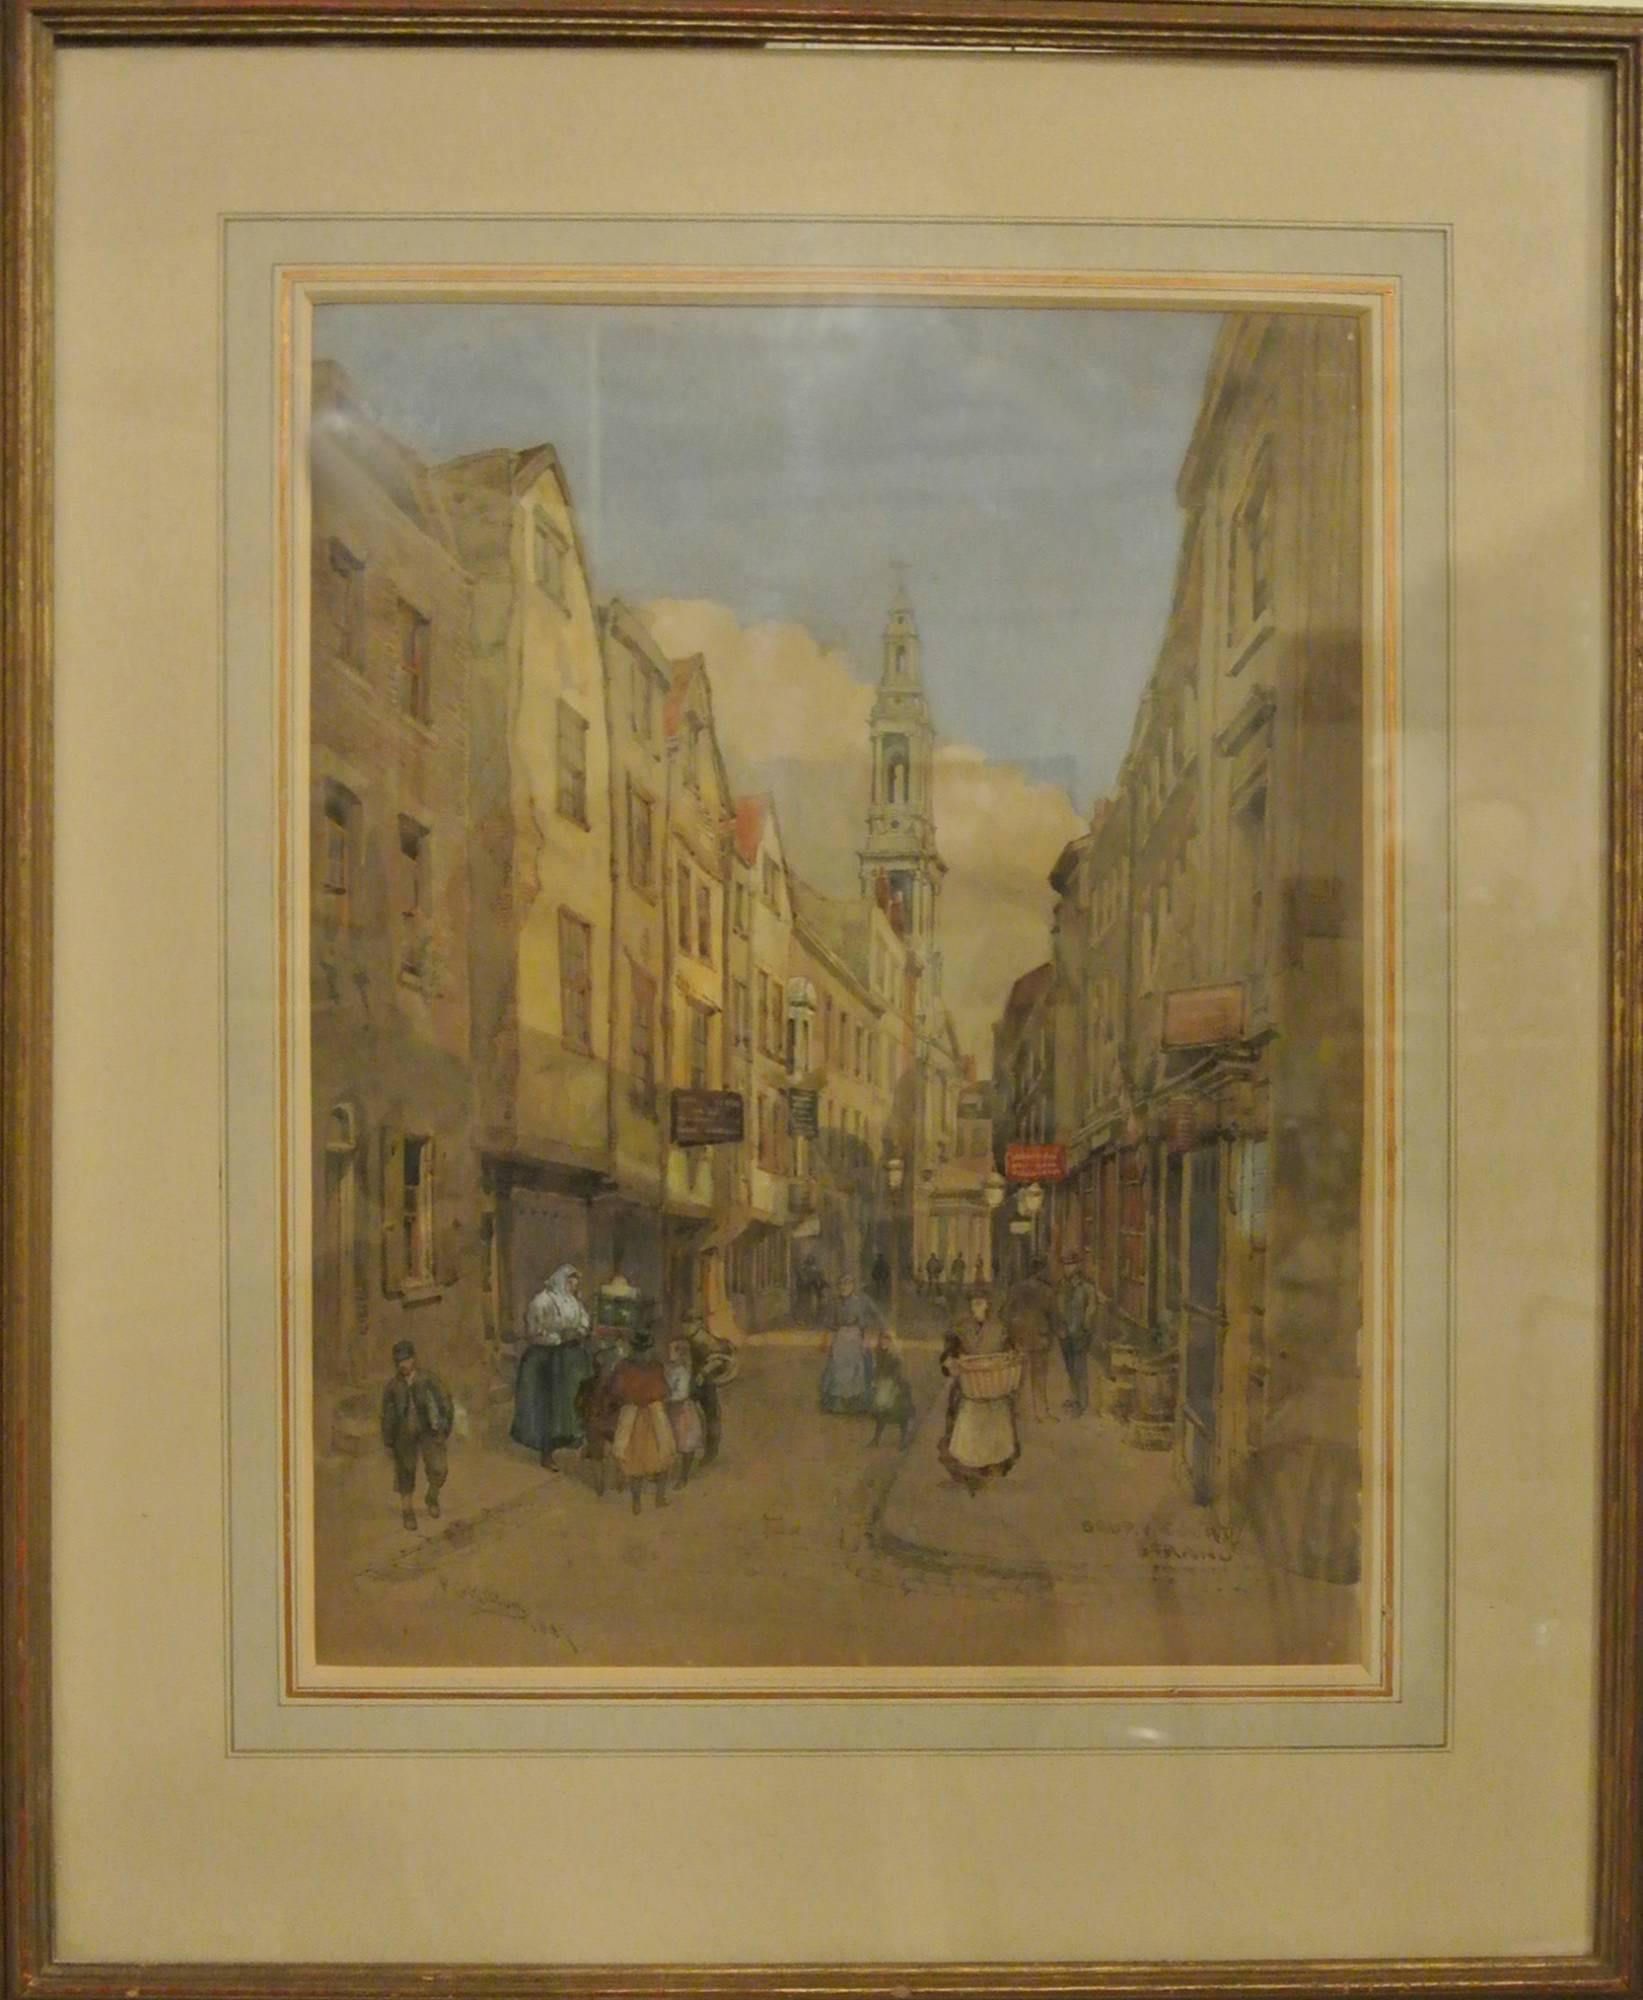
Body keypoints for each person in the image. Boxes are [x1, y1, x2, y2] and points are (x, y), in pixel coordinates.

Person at [511, 1263, 595, 1471]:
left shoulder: (574, 1302)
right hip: (546, 1360)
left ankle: (573, 1440)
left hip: (570, 1359)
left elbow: (585, 1322)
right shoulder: (541, 1302)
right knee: (548, 1406)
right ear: (561, 1280)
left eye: (575, 1282)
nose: (573, 1285)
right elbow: (533, 1332)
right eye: (570, 1281)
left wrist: (579, 1332)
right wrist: (558, 1338)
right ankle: (546, 1453)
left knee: (574, 1401)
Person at [938, 1286, 1020, 1492]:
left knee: (997, 1427)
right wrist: (950, 1362)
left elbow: (1011, 1351)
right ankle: (969, 1470)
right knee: (965, 1422)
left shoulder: (999, 1328)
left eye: (981, 1303)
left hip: (995, 1386)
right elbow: (948, 1354)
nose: (977, 1307)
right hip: (971, 1386)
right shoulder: (960, 1328)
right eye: (974, 1304)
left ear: (988, 1305)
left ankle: (996, 1466)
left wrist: (1010, 1358)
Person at [380, 1338, 453, 1531]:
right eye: (399, 1361)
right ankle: (408, 1512)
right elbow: (387, 1416)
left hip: (429, 1430)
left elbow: (445, 1401)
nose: (403, 1365)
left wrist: (444, 1426)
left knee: (439, 1468)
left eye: (406, 1359)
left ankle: (432, 1497)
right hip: (404, 1434)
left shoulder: (428, 1379)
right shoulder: (392, 1387)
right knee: (405, 1471)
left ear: (414, 1359)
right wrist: (388, 1441)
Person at [605, 1324, 677, 1513]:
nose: (642, 1354)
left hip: (649, 1415)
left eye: (644, 1350)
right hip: (638, 1416)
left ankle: (657, 1498)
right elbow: (664, 1391)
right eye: (640, 1350)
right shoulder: (629, 1367)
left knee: (661, 1457)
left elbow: (663, 1390)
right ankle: (640, 1501)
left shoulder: (648, 1366)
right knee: (639, 1461)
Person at [1005, 1256, 1059, 1421]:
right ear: (1042, 1270)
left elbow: (1004, 1314)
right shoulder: (1047, 1291)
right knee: (1039, 1377)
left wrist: (1013, 1332)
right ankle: (1041, 1413)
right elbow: (1054, 1317)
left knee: (1018, 1377)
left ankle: (1015, 1411)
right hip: (1040, 1339)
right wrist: (1056, 1333)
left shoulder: (1016, 1289)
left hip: (1020, 1339)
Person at [819, 1272, 882, 1414]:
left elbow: (867, 1321)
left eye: (847, 1284)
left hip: (855, 1337)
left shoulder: (860, 1301)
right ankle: (837, 1404)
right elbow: (829, 1324)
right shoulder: (835, 1303)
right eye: (841, 1284)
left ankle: (856, 1404)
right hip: (840, 1338)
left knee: (857, 1370)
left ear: (853, 1286)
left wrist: (866, 1339)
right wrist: (824, 1340)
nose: (844, 1287)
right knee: (837, 1368)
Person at [687, 1319, 735, 1466]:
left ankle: (710, 1452)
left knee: (711, 1416)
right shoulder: (688, 1338)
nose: (685, 1326)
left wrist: (703, 1373)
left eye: (688, 1322)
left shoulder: (702, 1338)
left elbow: (720, 1358)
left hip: (705, 1384)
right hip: (690, 1383)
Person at [1057, 1254, 1099, 1416]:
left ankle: (1081, 1403)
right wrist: (1060, 1327)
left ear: (1078, 1266)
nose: (1068, 1268)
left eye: (1071, 1265)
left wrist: (1086, 1327)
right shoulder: (1062, 1286)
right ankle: (1074, 1398)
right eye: (1066, 1265)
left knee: (1079, 1368)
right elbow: (1057, 1308)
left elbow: (1092, 1309)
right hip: (1065, 1334)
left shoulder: (1087, 1287)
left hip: (1080, 1334)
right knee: (1070, 1368)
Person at [664, 1337, 706, 1487]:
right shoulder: (668, 1368)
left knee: (686, 1443)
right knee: (667, 1442)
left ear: (680, 1353)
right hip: (669, 1409)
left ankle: (683, 1477)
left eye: (672, 1350)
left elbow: (681, 1394)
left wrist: (664, 1397)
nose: (668, 1352)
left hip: (681, 1410)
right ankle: (662, 1473)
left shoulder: (683, 1371)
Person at [868, 1328, 915, 1448]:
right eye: (882, 1339)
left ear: (891, 1341)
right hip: (883, 1386)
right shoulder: (879, 1353)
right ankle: (876, 1439)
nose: (884, 1341)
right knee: (881, 1413)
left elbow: (899, 1372)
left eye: (887, 1339)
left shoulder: (895, 1355)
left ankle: (903, 1440)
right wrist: (876, 1380)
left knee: (900, 1414)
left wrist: (893, 1383)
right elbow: (877, 1369)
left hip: (896, 1386)